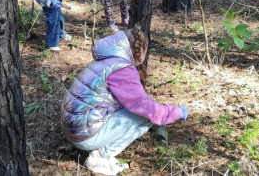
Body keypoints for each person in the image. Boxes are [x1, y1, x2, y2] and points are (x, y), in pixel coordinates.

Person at [61, 24, 189, 175]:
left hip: (74, 127)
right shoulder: (121, 69)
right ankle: (101, 157)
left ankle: (100, 149)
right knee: (145, 117)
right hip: (84, 134)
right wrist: (175, 112)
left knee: (137, 112)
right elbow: (144, 106)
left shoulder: (107, 59)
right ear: (139, 52)